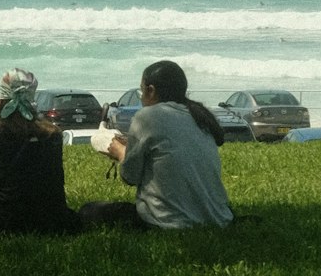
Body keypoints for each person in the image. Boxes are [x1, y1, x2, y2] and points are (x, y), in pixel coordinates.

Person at [80, 59, 234, 231]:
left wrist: (119, 151)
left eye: (141, 90)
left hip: (166, 221)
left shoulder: (147, 116)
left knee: (89, 210)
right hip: (218, 218)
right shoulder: (199, 117)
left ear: (150, 90)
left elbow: (129, 177)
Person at [0, 69, 82, 234]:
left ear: (1, 96)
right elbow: (56, 182)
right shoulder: (52, 134)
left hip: (7, 222)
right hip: (53, 220)